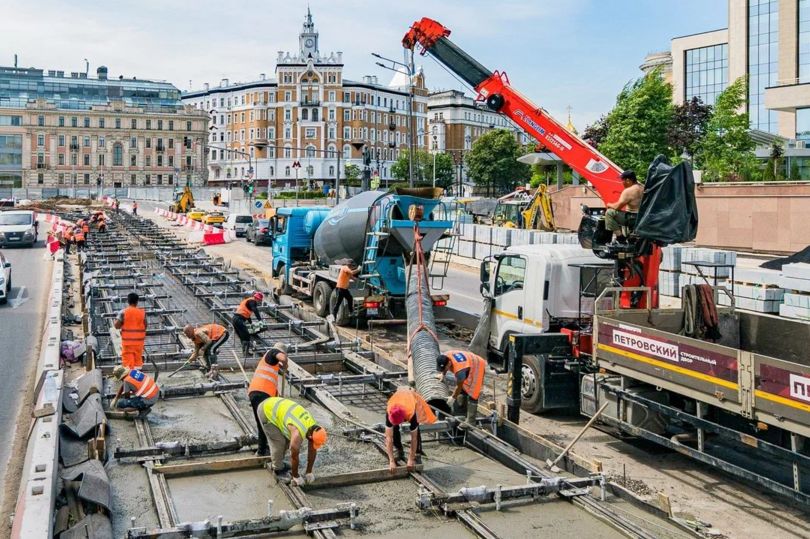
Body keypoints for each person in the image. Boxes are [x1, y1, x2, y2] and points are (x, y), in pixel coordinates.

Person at [258, 396, 327, 485]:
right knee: (279, 443)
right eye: (312, 441)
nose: (312, 444)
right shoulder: (297, 433)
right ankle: (278, 469)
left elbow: (312, 450)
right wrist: (296, 476)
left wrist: (309, 472)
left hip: (279, 408)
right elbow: (294, 456)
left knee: (287, 440)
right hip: (266, 410)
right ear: (310, 436)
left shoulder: (313, 427)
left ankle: (279, 462)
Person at [248, 343, 288, 456]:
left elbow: (271, 385)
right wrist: (285, 364)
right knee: (265, 423)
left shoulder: (271, 363)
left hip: (257, 393)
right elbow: (283, 358)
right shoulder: (272, 352)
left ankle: (263, 448)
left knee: (262, 422)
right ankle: (262, 451)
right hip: (260, 393)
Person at [385, 387, 436, 473]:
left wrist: (410, 459)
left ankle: (417, 453)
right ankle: (398, 448)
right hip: (399, 396)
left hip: (411, 397)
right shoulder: (389, 411)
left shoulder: (411, 414)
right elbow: (388, 438)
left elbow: (414, 438)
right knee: (394, 430)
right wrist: (391, 461)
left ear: (404, 419)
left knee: (416, 429)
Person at [436, 349, 488, 424]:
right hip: (468, 363)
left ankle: (471, 421)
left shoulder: (460, 370)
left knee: (473, 393)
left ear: (449, 363)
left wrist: (453, 398)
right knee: (464, 389)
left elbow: (459, 386)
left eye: (445, 368)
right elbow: (444, 366)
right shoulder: (445, 356)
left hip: (477, 365)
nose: (444, 369)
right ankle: (462, 411)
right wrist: (443, 374)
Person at [604, 170, 644, 243]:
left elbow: (617, 207)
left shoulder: (628, 191)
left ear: (628, 180)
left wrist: (609, 204)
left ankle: (620, 237)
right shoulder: (643, 188)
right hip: (642, 217)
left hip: (633, 219)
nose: (622, 182)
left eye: (622, 180)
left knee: (609, 213)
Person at [114, 292, 147, 369]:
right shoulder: (142, 313)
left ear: (128, 301)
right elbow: (145, 326)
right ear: (137, 302)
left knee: (128, 364)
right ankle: (137, 377)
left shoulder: (123, 312)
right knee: (137, 363)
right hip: (139, 343)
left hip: (128, 343)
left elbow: (116, 326)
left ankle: (130, 379)